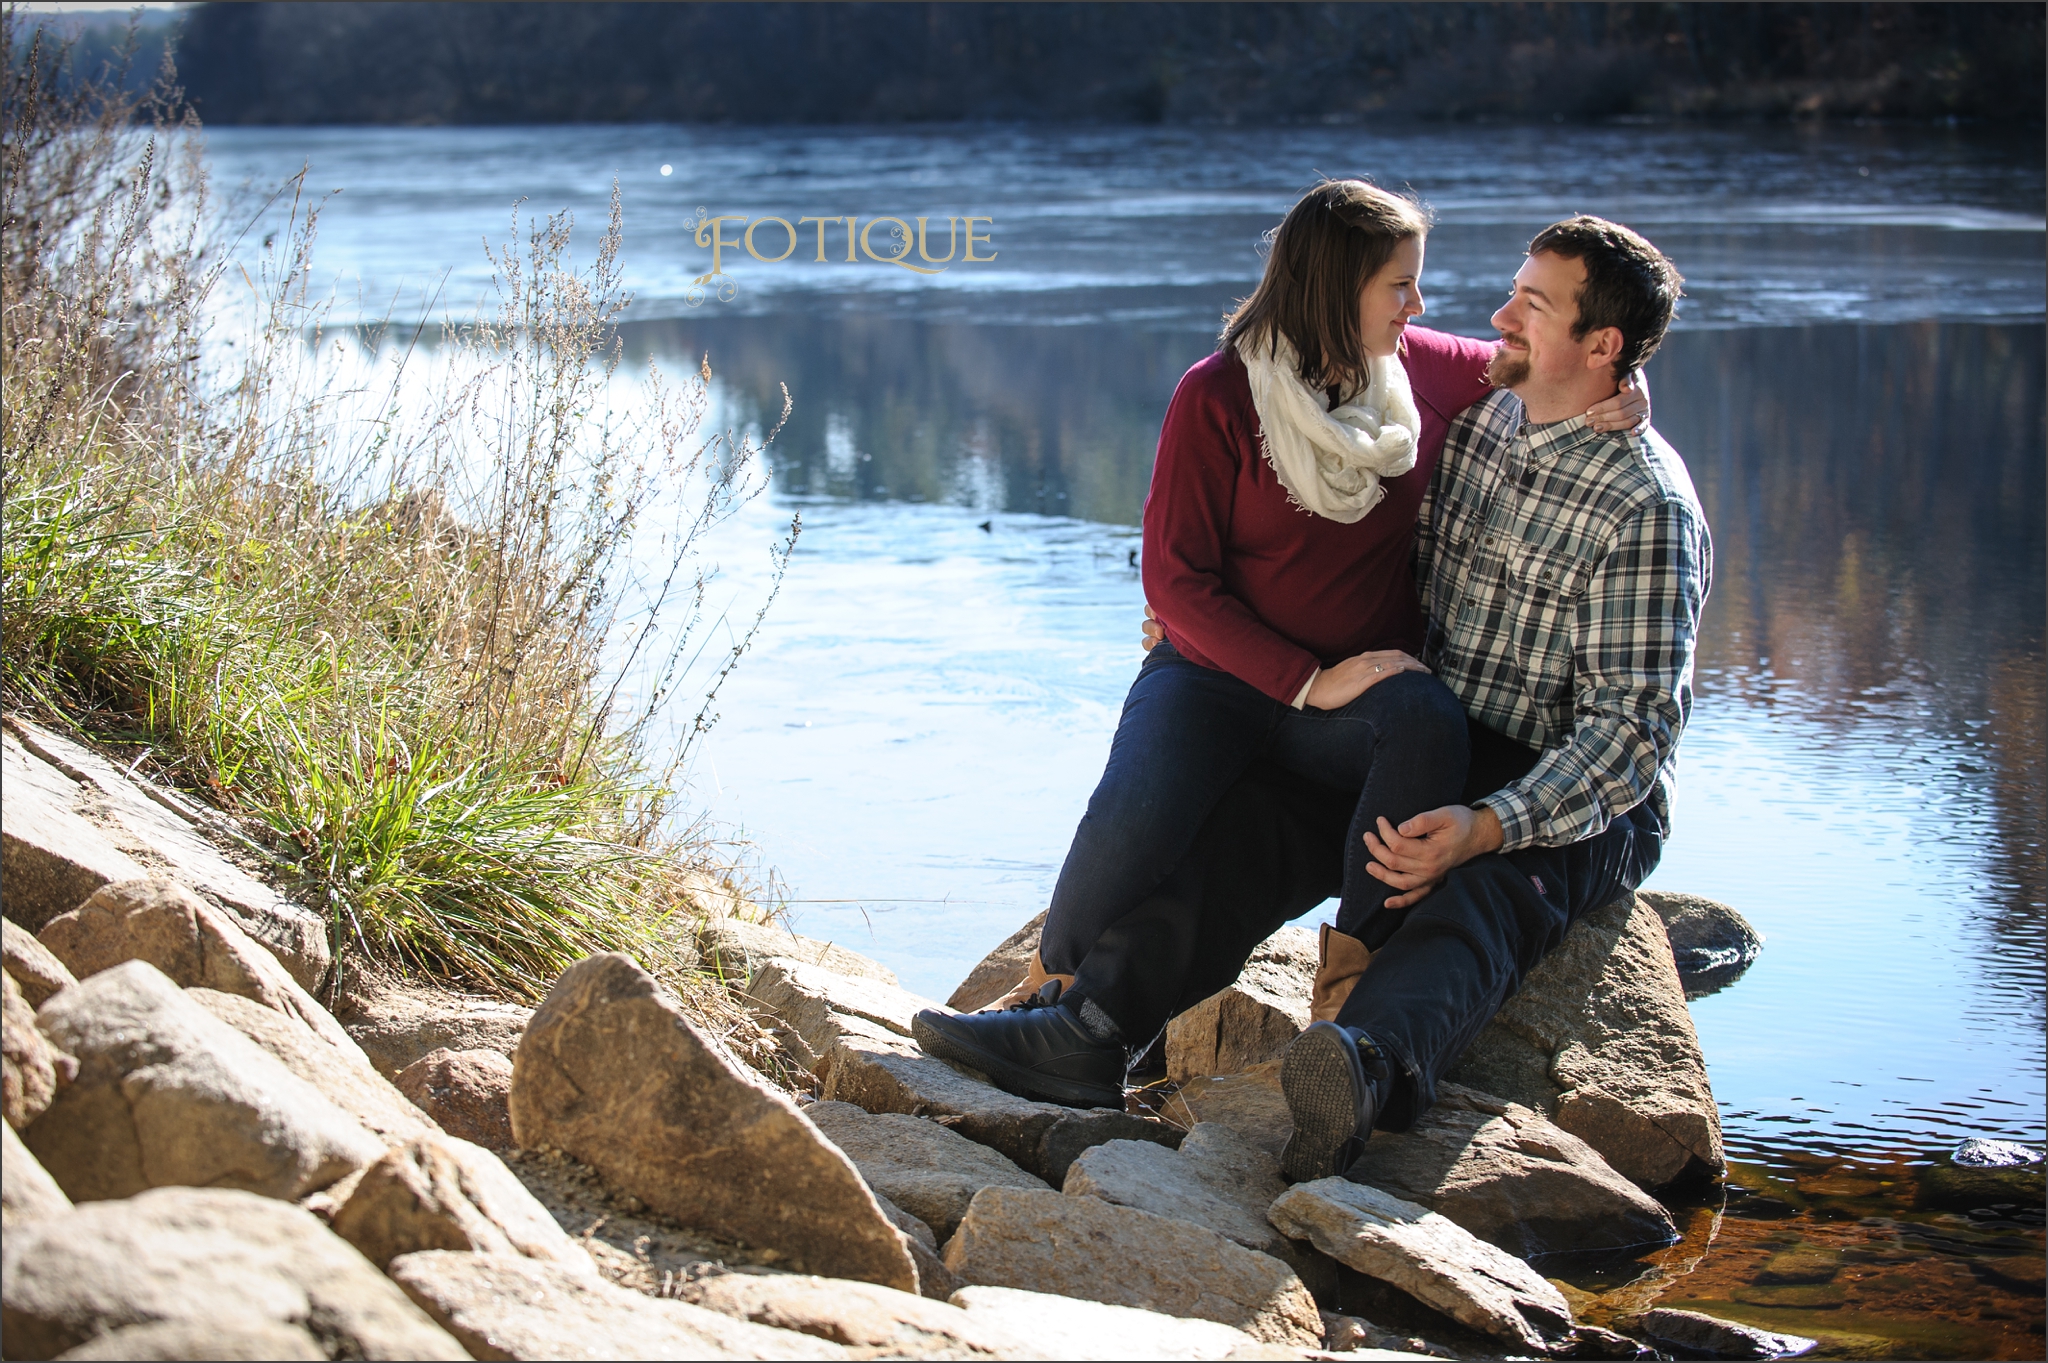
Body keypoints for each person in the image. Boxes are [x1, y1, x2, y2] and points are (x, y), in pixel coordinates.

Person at [911, 181, 1647, 1110]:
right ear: (1337, 285)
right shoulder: (1218, 393)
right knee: (1136, 821)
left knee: (1423, 718)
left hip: (1349, 699)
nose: (1419, 304)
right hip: (1213, 674)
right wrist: (1308, 679)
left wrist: (1631, 388)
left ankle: (1344, 1020)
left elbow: (1554, 367)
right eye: (1401, 284)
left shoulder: (1418, 371)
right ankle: (1052, 1013)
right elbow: (1175, 582)